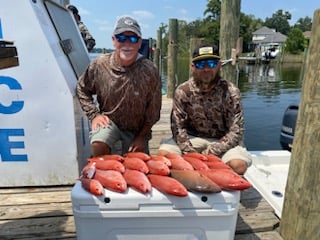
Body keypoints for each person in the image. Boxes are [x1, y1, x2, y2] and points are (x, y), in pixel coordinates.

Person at [158, 43, 252, 175]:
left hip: (223, 141)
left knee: (238, 166)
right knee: (164, 156)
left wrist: (211, 152)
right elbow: (177, 128)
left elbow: (236, 130)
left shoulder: (231, 92)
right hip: (191, 138)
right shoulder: (182, 91)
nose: (206, 69)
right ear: (192, 67)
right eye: (200, 65)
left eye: (211, 63)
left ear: (219, 65)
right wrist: (190, 153)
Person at [76, 16, 162, 157]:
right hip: (110, 122)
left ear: (140, 43)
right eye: (121, 38)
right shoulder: (99, 64)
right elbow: (82, 89)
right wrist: (95, 115)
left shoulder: (150, 70)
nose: (127, 43)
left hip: (138, 128)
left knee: (139, 165)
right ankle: (102, 172)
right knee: (98, 143)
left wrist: (142, 136)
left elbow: (153, 113)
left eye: (133, 39)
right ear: (114, 40)